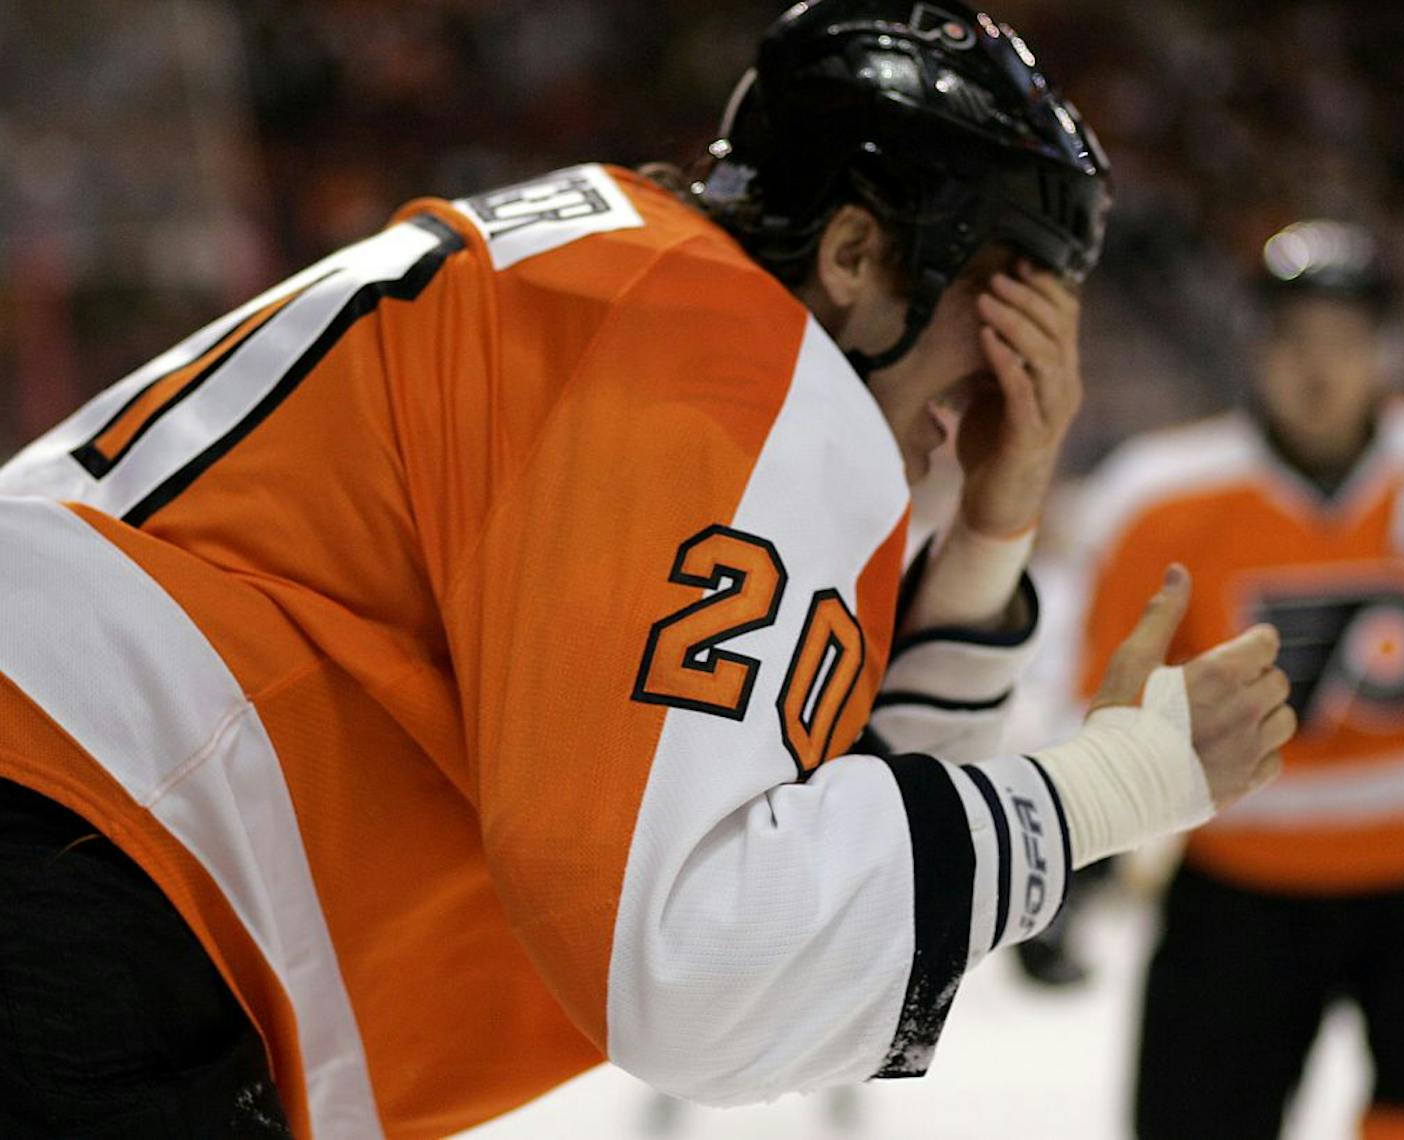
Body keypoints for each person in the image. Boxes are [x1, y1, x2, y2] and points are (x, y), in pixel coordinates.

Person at [0, 3, 1290, 1136]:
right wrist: (1114, 787)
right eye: (1011, 300)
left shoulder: (637, 286)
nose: (1028, 370)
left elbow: (816, 854)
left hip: (90, 848)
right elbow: (692, 963)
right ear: (855, 257)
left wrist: (992, 534)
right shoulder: (725, 344)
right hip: (82, 854)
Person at [1077, 220, 1404, 1140]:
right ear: (1255, 349)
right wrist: (1082, 854)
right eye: (1295, 339)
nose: (1319, 369)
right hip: (1241, 885)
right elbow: (1097, 692)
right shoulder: (1159, 496)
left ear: (1385, 350)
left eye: (1343, 341)